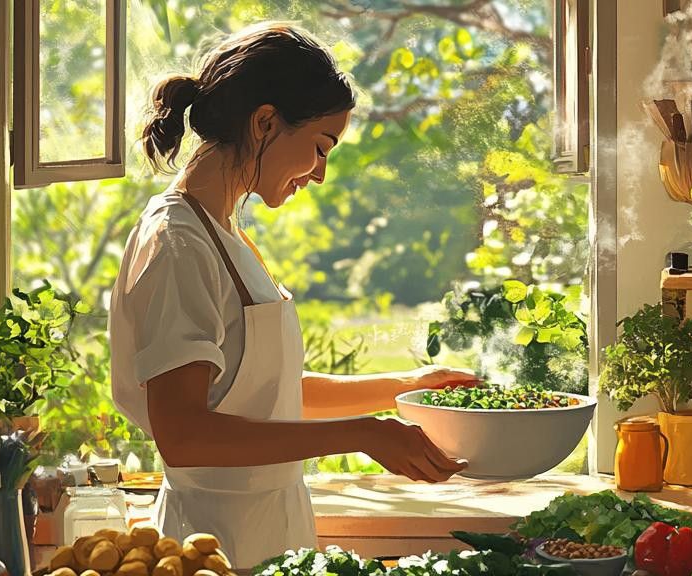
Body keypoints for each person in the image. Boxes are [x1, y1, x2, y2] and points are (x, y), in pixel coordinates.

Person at [109, 22, 478, 569]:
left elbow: (266, 393)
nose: (321, 174)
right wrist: (362, 436)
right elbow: (184, 434)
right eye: (320, 147)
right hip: (210, 544)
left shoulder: (222, 231)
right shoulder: (178, 243)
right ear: (264, 122)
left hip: (270, 529)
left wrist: (405, 388)